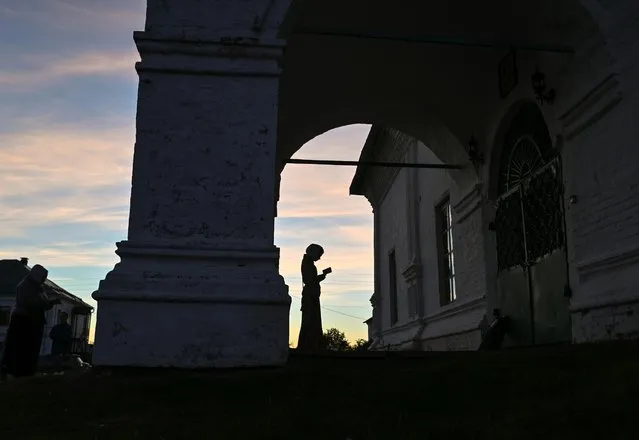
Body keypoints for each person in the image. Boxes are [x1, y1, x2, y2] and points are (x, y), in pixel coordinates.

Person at [0, 264, 60, 381]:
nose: (44, 280)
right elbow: (30, 303)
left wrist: (50, 303)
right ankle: (15, 371)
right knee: (20, 347)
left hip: (34, 322)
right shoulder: (25, 286)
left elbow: (42, 303)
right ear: (37, 275)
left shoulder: (39, 288)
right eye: (43, 277)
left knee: (31, 348)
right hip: (23, 321)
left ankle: (27, 371)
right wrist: (44, 304)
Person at [297, 244, 332, 352]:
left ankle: (311, 344)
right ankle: (308, 345)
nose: (319, 258)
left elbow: (310, 279)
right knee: (310, 321)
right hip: (310, 296)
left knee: (312, 321)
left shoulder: (309, 263)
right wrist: (322, 276)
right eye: (319, 255)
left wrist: (322, 275)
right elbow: (309, 280)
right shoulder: (307, 264)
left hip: (311, 295)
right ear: (313, 252)